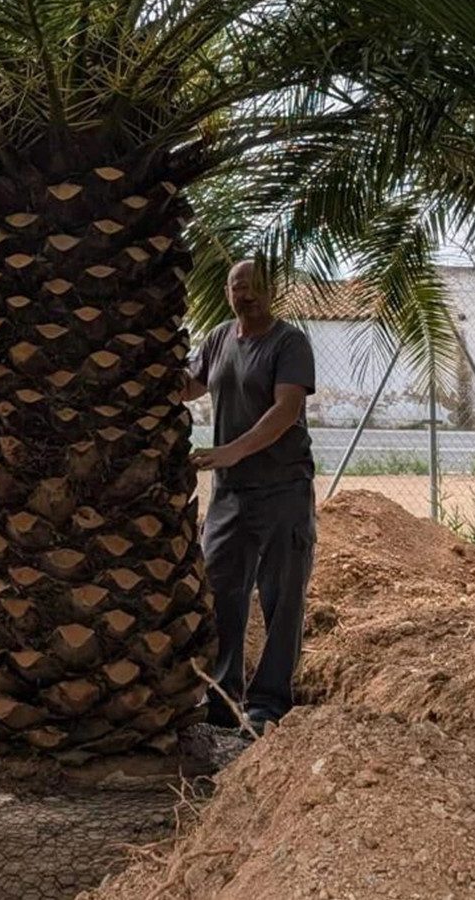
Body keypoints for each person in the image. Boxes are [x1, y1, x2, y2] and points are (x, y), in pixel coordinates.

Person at [184, 259, 317, 734]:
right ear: (227, 292)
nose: (247, 295)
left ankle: (268, 705)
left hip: (283, 490)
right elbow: (187, 386)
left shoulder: (289, 343)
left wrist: (231, 452)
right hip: (230, 495)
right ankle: (222, 698)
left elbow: (285, 411)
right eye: (239, 287)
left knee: (281, 598)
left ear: (272, 292)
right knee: (221, 592)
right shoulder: (219, 338)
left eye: (257, 287)